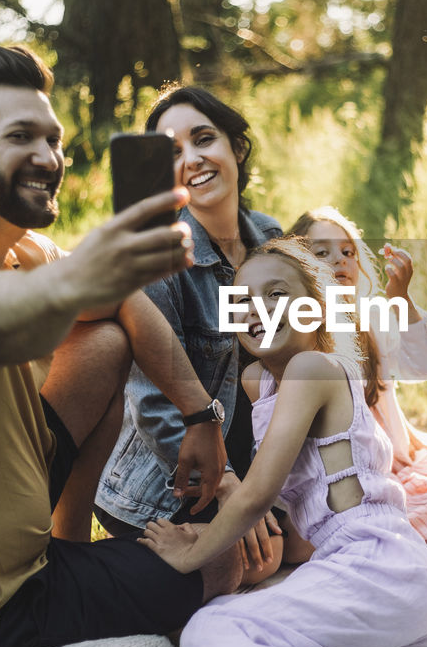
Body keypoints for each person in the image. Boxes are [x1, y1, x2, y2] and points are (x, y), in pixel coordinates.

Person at [0, 44, 242, 647]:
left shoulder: (14, 245)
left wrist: (200, 416)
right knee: (219, 560)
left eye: (54, 139)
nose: (48, 159)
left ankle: (69, 547)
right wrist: (76, 283)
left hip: (12, 517)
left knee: (102, 340)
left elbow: (121, 302)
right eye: (21, 137)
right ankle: (67, 583)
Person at [139, 238, 427, 647]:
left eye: (278, 295)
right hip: (400, 606)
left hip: (379, 567)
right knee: (260, 625)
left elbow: (256, 493)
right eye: (242, 302)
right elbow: (305, 524)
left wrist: (193, 552)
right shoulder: (270, 385)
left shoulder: (313, 368)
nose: (259, 310)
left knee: (211, 629)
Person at [95, 85, 299, 581]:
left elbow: (296, 359)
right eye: (172, 152)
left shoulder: (270, 238)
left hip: (251, 462)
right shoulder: (161, 256)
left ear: (237, 148)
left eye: (204, 139)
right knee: (253, 562)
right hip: (168, 480)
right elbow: (154, 406)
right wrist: (231, 489)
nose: (192, 159)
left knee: (315, 537)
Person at [289, 207, 427, 541]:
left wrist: (400, 300)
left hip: (394, 460)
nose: (339, 259)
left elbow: (424, 365)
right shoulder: (297, 334)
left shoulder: (372, 319)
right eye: (322, 252)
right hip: (341, 471)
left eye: (348, 252)